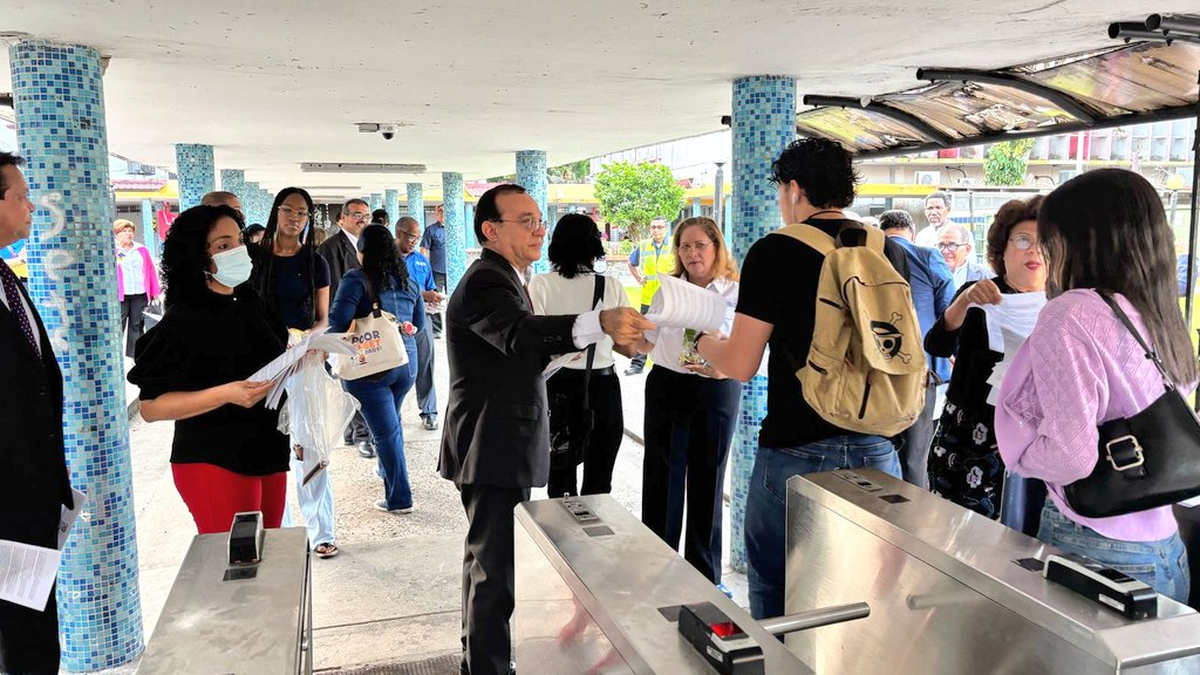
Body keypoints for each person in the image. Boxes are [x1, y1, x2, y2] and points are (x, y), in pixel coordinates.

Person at [438, 184, 651, 675]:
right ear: (491, 230)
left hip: (493, 439)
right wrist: (598, 320)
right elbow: (521, 337)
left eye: (539, 220)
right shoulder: (487, 282)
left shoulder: (506, 276)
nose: (539, 229)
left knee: (485, 561)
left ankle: (480, 659)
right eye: (526, 220)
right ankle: (488, 666)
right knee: (496, 570)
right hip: (490, 443)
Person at [694, 138, 909, 619]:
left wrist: (701, 342)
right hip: (877, 446)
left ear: (793, 189)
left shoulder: (774, 251)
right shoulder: (886, 249)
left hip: (797, 449)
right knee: (863, 601)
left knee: (776, 588)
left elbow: (741, 363)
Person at [997, 169, 1193, 603]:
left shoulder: (1069, 315)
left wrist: (1021, 456)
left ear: (1075, 240)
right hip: (1165, 547)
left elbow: (1072, 456)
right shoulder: (1158, 311)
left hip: (1090, 542)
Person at [128, 204, 290, 534]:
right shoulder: (186, 317)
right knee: (234, 568)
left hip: (268, 448)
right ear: (199, 257)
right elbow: (151, 408)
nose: (237, 252)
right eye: (223, 246)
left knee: (269, 556)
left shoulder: (250, 301)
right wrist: (225, 394)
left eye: (239, 242)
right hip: (214, 457)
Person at [925, 196, 1046, 530]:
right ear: (1002, 248)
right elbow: (936, 344)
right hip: (967, 435)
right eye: (1023, 241)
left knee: (1021, 536)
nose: (1033, 250)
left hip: (1033, 441)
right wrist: (964, 301)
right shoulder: (978, 293)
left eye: (1043, 242)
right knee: (957, 531)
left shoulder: (1063, 304)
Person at [635, 216, 742, 587]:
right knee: (662, 476)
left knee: (708, 477)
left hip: (716, 388)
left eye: (700, 245)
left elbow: (749, 348)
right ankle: (658, 573)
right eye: (685, 246)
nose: (692, 253)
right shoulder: (668, 289)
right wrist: (630, 338)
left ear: (716, 247)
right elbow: (651, 342)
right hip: (667, 385)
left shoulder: (735, 291)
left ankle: (704, 577)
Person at [0, 151, 75, 675]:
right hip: (5, 506)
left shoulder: (9, 278)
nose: (32, 206)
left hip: (32, 505)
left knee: (31, 637)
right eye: (21, 195)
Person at [249, 187, 338, 558]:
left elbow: (323, 319)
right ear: (276, 212)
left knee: (309, 447)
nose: (294, 218)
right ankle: (279, 531)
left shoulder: (315, 262)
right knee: (268, 450)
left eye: (302, 213)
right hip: (260, 365)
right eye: (288, 210)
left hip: (303, 362)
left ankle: (321, 532)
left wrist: (305, 342)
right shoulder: (254, 258)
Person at [529, 213, 631, 497]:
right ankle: (592, 536)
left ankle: (561, 537)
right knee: (599, 479)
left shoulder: (542, 283)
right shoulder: (611, 285)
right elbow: (630, 344)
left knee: (560, 473)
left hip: (557, 388)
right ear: (595, 246)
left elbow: (535, 337)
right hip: (602, 387)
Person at [330, 224, 424, 515]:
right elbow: (418, 324)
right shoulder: (408, 281)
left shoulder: (356, 278)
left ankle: (399, 498)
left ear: (362, 251)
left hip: (372, 366)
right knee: (390, 421)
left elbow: (338, 319)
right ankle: (385, 470)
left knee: (386, 433)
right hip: (405, 363)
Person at [878, 209, 954, 489]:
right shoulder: (927, 256)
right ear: (910, 232)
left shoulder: (867, 256)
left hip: (876, 369)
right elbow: (949, 311)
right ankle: (910, 522)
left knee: (878, 451)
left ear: (882, 229)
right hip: (920, 370)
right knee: (915, 457)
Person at [320, 198, 376, 458]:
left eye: (366, 215)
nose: (362, 219)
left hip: (366, 325)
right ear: (341, 218)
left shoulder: (370, 246)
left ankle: (355, 432)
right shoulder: (330, 248)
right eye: (356, 215)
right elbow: (328, 292)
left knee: (356, 376)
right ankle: (360, 433)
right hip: (344, 324)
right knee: (352, 377)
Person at [396, 216, 444, 431]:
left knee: (426, 365)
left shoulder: (421, 261)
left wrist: (433, 296)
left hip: (421, 319)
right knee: (396, 368)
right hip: (395, 322)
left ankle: (429, 411)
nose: (414, 241)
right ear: (399, 234)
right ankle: (393, 412)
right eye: (410, 236)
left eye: (417, 237)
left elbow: (429, 287)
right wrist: (422, 293)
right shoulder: (387, 261)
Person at [624, 216, 674, 375]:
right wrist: (638, 277)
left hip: (670, 298)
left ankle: (669, 364)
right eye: (653, 227)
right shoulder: (644, 246)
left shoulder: (675, 245)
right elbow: (631, 262)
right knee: (643, 331)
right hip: (648, 297)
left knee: (671, 331)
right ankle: (637, 365)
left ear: (666, 229)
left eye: (659, 227)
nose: (656, 230)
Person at [114, 218, 161, 359]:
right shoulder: (113, 250)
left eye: (130, 231)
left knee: (137, 324)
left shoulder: (141, 249)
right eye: (124, 231)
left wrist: (154, 291)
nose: (128, 234)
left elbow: (150, 270)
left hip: (139, 293)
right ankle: (115, 356)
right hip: (121, 295)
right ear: (116, 234)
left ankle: (136, 356)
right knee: (118, 324)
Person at [420, 203, 447, 337]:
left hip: (453, 271)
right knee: (435, 299)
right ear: (436, 213)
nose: (443, 214)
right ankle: (437, 329)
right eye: (441, 211)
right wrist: (424, 267)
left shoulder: (456, 228)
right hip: (436, 270)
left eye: (445, 211)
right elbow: (424, 249)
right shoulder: (431, 230)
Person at [938, 223, 990, 288]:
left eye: (952, 245)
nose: (945, 251)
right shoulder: (927, 274)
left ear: (967, 249)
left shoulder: (984, 275)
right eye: (941, 245)